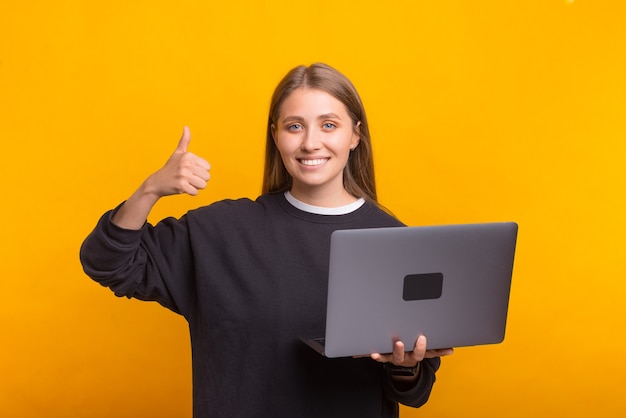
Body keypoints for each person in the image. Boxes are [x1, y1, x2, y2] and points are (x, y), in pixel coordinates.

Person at [80, 63, 454, 418]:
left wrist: (407, 367)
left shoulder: (397, 244)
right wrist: (150, 189)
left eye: (328, 125)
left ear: (355, 134)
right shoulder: (220, 232)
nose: (311, 143)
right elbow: (107, 262)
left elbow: (414, 392)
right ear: (275, 134)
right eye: (294, 126)